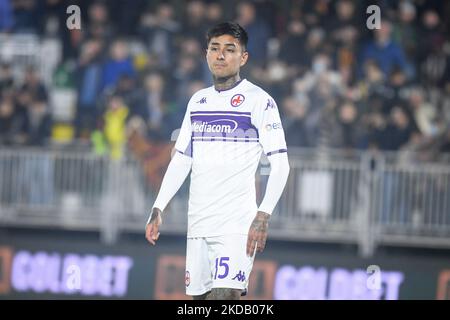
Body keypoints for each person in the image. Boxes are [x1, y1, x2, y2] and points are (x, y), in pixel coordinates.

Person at [145, 22, 290, 300]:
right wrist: (158, 206)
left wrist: (263, 215)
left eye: (229, 49)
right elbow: (182, 160)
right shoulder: (198, 101)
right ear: (206, 54)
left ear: (243, 58)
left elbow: (281, 164)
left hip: (236, 224)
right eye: (215, 49)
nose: (220, 55)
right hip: (198, 222)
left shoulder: (260, 101)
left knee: (225, 297)